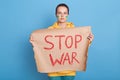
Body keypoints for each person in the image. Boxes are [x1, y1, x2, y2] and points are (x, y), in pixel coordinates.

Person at [47, 3, 94, 80]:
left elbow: (79, 47)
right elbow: (43, 48)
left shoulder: (74, 30)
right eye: (59, 13)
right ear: (56, 14)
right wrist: (35, 43)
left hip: (69, 70)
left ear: (68, 14)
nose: (62, 15)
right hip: (53, 71)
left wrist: (89, 41)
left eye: (65, 13)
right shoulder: (49, 31)